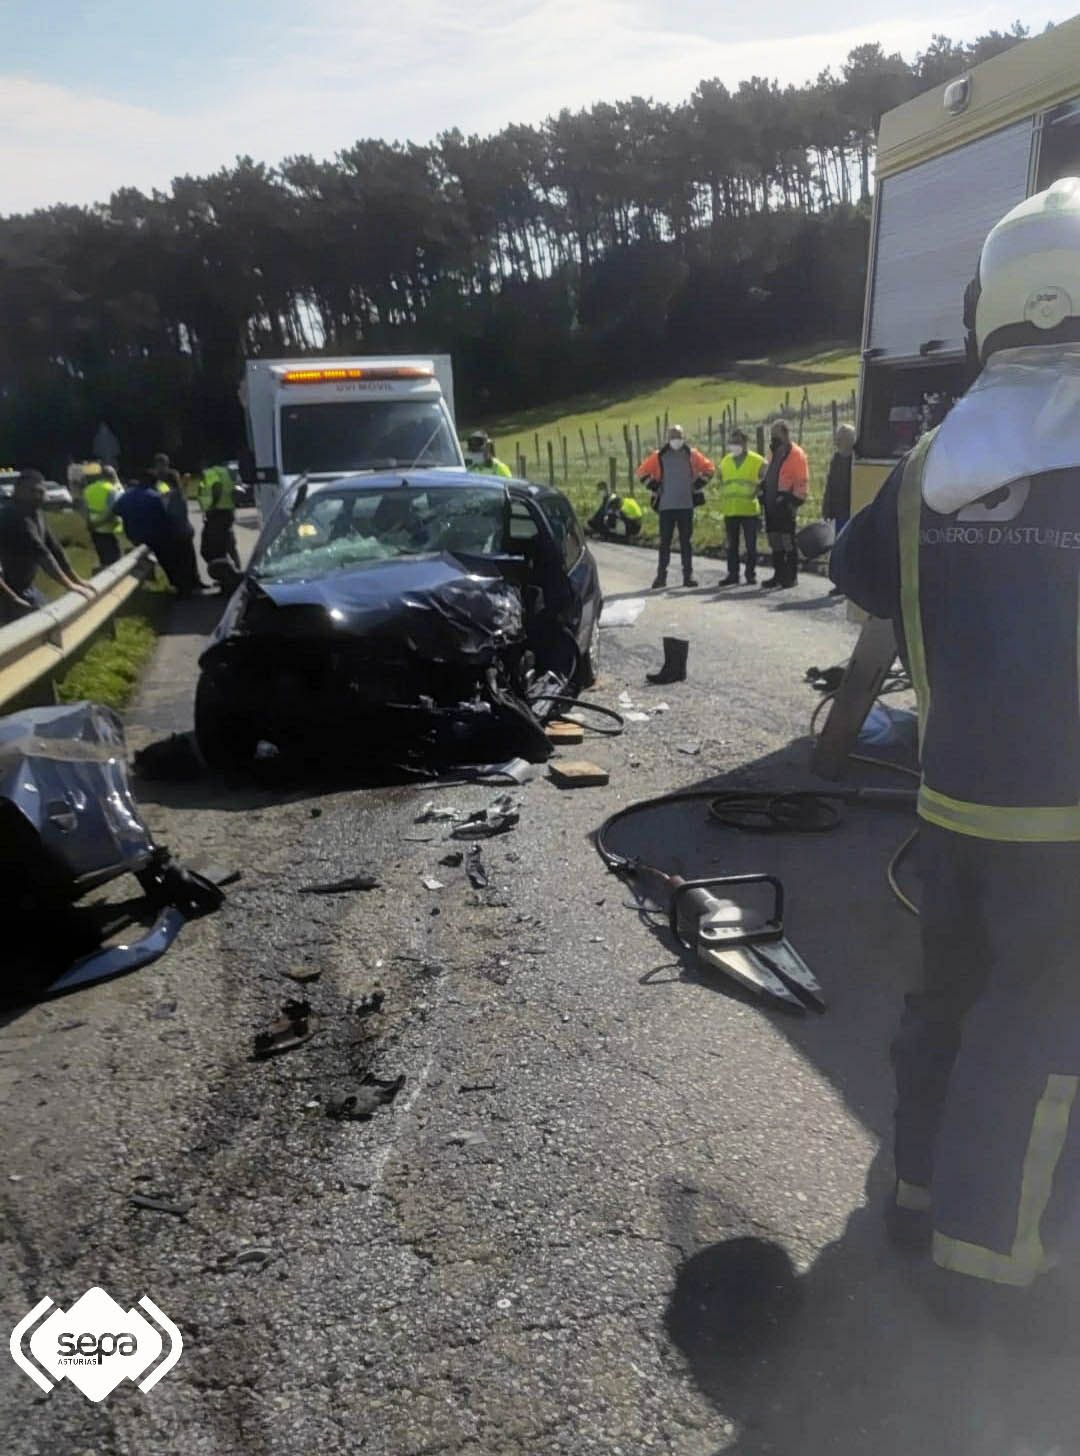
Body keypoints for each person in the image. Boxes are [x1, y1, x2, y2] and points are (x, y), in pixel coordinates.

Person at [830, 176, 1080, 1326]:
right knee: (1037, 1032)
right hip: (1067, 823)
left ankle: (921, 1196)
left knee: (948, 1005)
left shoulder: (938, 457)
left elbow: (861, 575)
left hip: (954, 801)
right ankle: (991, 1264)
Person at [0, 469, 96, 620]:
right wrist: (69, 585)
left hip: (24, 586)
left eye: (40, 492)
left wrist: (75, 579)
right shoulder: (13, 515)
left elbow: (54, 548)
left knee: (48, 616)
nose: (38, 496)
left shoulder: (35, 513)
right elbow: (41, 553)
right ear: (17, 491)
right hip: (7, 590)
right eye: (32, 491)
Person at [637, 424, 715, 589]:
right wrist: (655, 486)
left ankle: (688, 576)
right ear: (668, 438)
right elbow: (641, 472)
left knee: (686, 542)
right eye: (673, 436)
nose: (676, 439)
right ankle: (661, 577)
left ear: (683, 437)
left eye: (678, 436)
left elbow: (709, 469)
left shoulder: (692, 454)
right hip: (666, 506)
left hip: (686, 505)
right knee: (664, 543)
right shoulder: (659, 456)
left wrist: (698, 484)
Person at [114, 473, 191, 595]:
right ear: (153, 484)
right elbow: (166, 516)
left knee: (147, 560)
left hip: (135, 536)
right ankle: (180, 588)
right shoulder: (154, 497)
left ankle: (153, 583)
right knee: (170, 562)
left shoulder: (126, 496)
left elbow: (116, 511)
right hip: (157, 536)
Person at [759, 420, 809, 589]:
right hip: (771, 502)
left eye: (776, 436)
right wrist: (762, 488)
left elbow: (801, 481)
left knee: (787, 541)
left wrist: (793, 501)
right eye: (772, 436)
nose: (773, 439)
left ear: (786, 435)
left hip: (786, 503)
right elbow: (769, 473)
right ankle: (778, 575)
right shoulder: (773, 452)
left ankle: (791, 576)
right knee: (775, 541)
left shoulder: (796, 454)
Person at [717, 428, 765, 586]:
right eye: (732, 442)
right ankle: (733, 574)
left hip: (749, 510)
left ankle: (750, 574)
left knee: (751, 546)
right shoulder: (725, 461)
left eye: (737, 442)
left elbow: (766, 478)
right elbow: (721, 480)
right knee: (732, 546)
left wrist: (758, 491)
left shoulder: (757, 460)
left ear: (745, 443)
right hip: (731, 509)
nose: (734, 445)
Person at [153, 452, 204, 591]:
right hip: (179, 528)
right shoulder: (170, 491)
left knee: (184, 558)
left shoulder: (169, 492)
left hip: (177, 528)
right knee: (186, 557)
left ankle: (189, 583)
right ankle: (191, 583)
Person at [823, 423, 856, 598]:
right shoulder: (837, 459)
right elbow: (830, 484)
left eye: (841, 438)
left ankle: (851, 583)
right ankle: (841, 583)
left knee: (852, 548)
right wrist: (826, 507)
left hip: (854, 508)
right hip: (840, 510)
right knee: (840, 548)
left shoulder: (856, 459)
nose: (838, 441)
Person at [196, 462, 241, 572]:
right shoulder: (225, 472)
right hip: (226, 513)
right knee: (227, 545)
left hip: (216, 514)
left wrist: (212, 506)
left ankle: (227, 573)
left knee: (211, 549)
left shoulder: (209, 474)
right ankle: (235, 571)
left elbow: (217, 487)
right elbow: (235, 490)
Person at [82, 464, 125, 568]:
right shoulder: (112, 490)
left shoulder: (88, 489)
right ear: (112, 476)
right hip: (111, 530)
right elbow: (113, 512)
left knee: (103, 561)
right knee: (115, 564)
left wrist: (90, 525)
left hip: (95, 531)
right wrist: (98, 524)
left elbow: (86, 510)